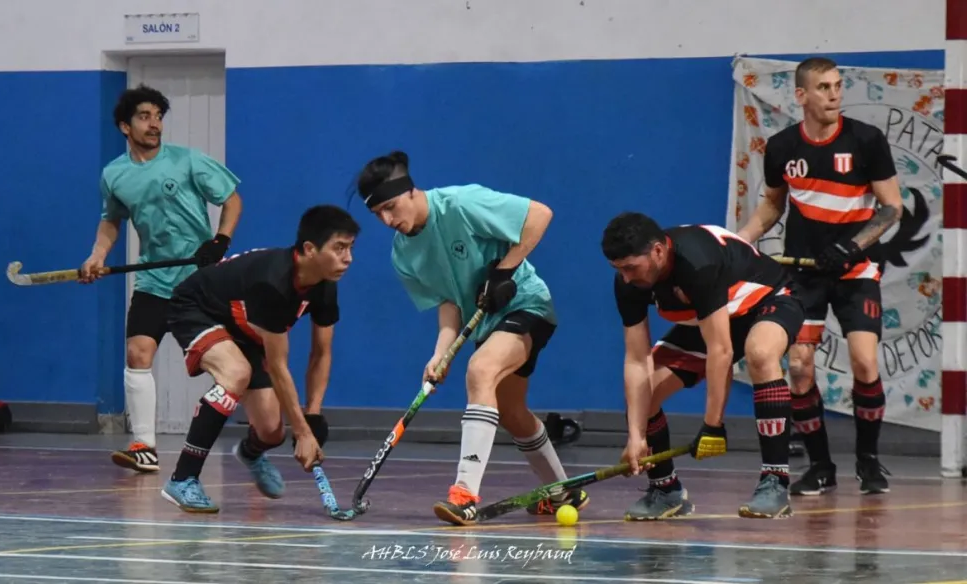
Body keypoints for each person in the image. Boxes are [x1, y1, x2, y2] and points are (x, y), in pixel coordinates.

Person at [356, 150, 586, 526]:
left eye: (390, 207)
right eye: (377, 214)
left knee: (480, 370)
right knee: (511, 412)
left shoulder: (461, 204)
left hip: (525, 303)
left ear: (411, 190)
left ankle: (464, 496)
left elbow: (540, 215)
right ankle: (564, 491)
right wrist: (440, 354)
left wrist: (505, 271)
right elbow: (449, 302)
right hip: (487, 323)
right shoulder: (403, 254)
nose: (387, 220)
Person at [736, 57, 903, 496]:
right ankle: (820, 466)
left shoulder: (866, 140)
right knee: (799, 367)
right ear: (801, 95)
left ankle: (868, 460)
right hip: (802, 272)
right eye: (824, 87)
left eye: (838, 86)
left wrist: (852, 247)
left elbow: (891, 208)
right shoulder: (782, 147)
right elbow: (773, 205)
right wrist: (739, 241)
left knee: (864, 362)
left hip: (856, 269)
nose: (834, 94)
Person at [79, 84, 243, 474]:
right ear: (125, 126)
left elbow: (232, 199)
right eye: (144, 117)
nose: (154, 124)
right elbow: (111, 221)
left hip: (198, 281)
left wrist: (220, 241)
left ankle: (258, 435)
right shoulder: (114, 174)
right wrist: (97, 256)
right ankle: (144, 446)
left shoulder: (188, 160)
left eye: (158, 116)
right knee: (138, 354)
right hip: (153, 280)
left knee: (229, 364)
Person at [160, 204, 359, 513]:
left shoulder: (324, 285)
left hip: (247, 329)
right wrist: (303, 433)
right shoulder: (274, 284)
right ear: (310, 249)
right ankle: (183, 478)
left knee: (271, 431)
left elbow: (321, 353)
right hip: (198, 309)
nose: (348, 258)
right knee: (236, 372)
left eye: (350, 248)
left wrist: (312, 416)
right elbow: (278, 367)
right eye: (339, 248)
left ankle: (250, 453)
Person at [603, 213, 804, 519]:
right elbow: (636, 359)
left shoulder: (697, 262)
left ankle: (775, 481)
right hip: (714, 318)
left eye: (630, 267)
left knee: (760, 354)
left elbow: (720, 350)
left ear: (658, 251)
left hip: (768, 300)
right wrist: (636, 435)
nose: (626, 278)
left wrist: (713, 425)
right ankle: (665, 489)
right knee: (645, 392)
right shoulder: (627, 282)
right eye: (618, 269)